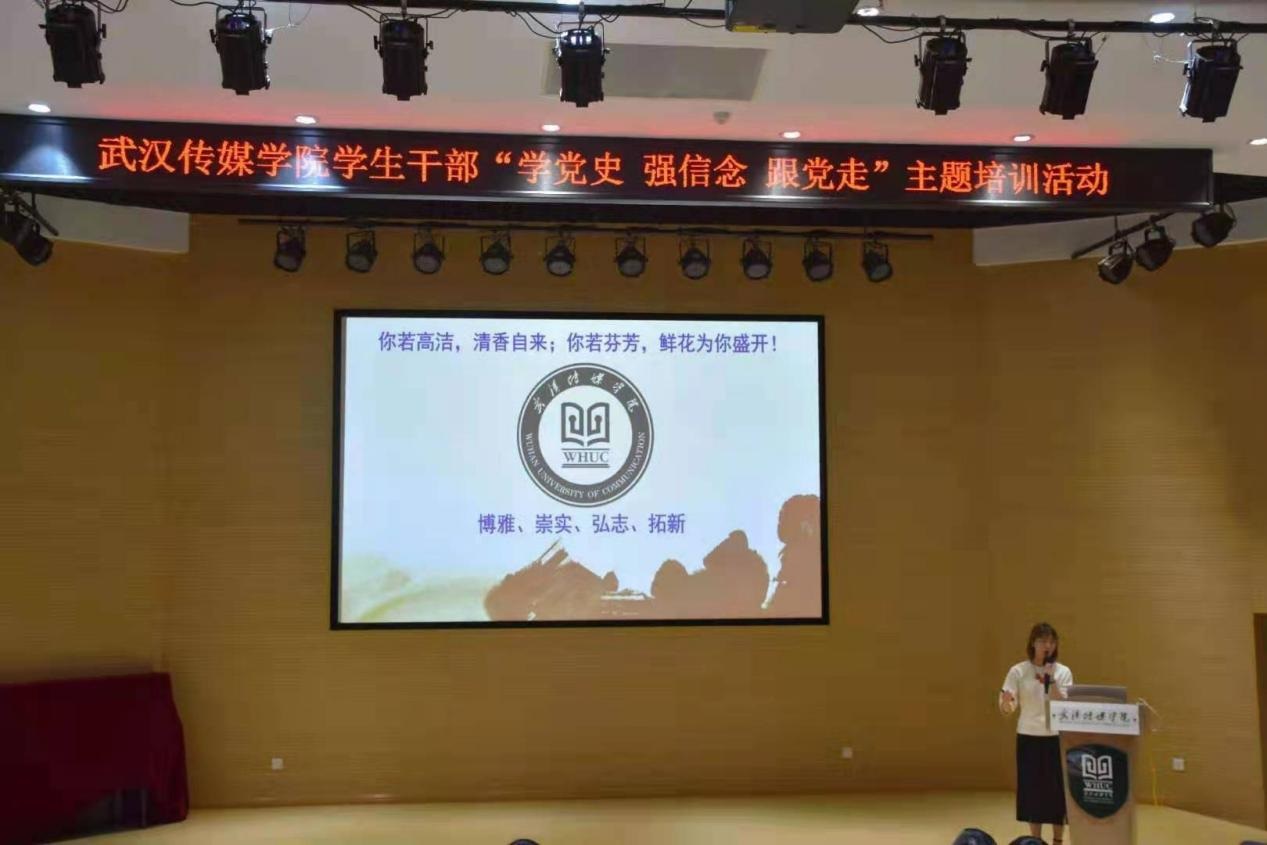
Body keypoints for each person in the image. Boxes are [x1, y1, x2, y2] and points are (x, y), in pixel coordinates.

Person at [999, 623, 1073, 845]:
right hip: (1028, 736)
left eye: (1051, 641)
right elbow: (1007, 708)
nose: (1047, 646)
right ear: (1033, 643)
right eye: (1042, 641)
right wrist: (1006, 703)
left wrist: (1052, 680)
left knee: (1056, 792)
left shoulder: (1063, 672)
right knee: (1033, 791)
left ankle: (1058, 840)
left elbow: (1066, 706)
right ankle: (1035, 840)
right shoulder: (1018, 671)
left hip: (1056, 738)